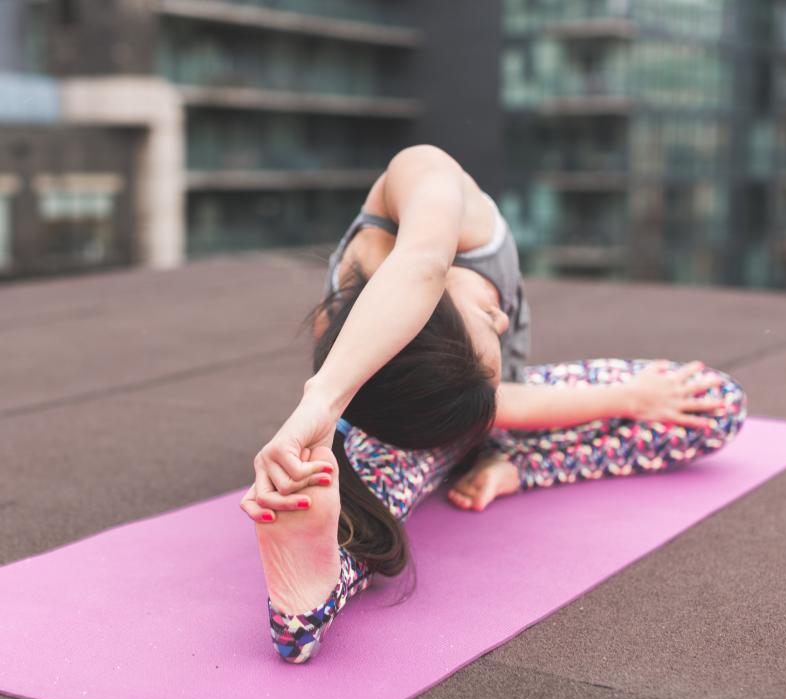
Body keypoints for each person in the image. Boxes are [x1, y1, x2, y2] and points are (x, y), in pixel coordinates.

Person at [238, 144, 748, 664]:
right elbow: (481, 393)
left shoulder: (421, 175)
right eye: (489, 316)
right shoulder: (382, 365)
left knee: (712, 403)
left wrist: (320, 403)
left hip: (479, 416)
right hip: (418, 434)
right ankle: (315, 587)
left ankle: (503, 464)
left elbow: (420, 262)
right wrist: (629, 398)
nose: (503, 320)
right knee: (370, 514)